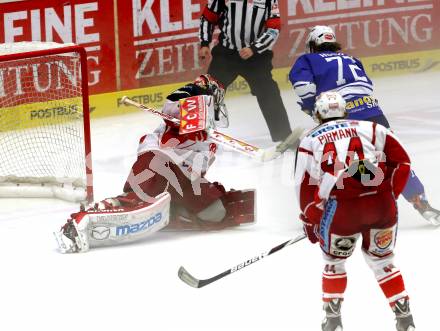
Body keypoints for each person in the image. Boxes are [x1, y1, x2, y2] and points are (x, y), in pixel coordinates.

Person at [54, 74, 256, 253]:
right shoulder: (185, 111)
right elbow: (171, 107)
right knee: (137, 197)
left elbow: (198, 169)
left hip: (184, 179)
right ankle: (96, 212)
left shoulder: (210, 135)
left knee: (217, 213)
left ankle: (170, 212)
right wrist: (194, 92)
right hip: (160, 165)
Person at [289, 25, 440, 225]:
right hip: (373, 113)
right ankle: (420, 200)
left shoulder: (307, 59)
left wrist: (311, 107)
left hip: (341, 115)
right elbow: (366, 85)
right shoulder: (352, 59)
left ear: (313, 44)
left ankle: (324, 207)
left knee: (336, 160)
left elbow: (303, 87)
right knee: (390, 158)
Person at [295, 91, 416, 331]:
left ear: (318, 114)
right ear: (345, 110)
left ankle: (333, 322)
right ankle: (405, 320)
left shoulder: (310, 139)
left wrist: (311, 219)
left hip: (343, 210)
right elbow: (403, 162)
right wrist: (390, 192)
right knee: (383, 261)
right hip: (381, 205)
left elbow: (304, 185)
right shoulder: (371, 127)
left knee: (333, 262)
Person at [199, 0, 292, 142]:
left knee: (268, 92)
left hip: (255, 57)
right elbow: (208, 17)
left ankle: (284, 137)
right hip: (226, 54)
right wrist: (205, 43)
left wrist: (254, 48)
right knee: (209, 91)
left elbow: (273, 29)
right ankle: (196, 135)